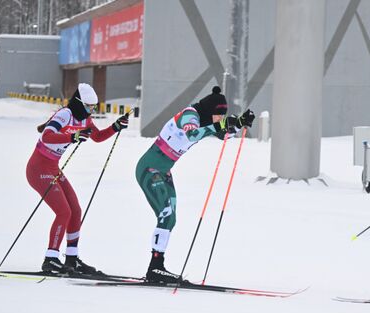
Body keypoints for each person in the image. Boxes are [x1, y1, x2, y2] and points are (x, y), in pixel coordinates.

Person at [136, 86, 255, 283]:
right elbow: (192, 134)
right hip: (149, 169)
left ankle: (157, 267)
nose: (218, 119)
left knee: (170, 218)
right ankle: (155, 268)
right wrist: (222, 124)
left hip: (163, 171)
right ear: (209, 111)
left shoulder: (205, 119)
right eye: (218, 115)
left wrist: (238, 123)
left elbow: (223, 134)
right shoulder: (190, 116)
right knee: (166, 214)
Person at [27, 83, 129, 275]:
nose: (91, 111)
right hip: (38, 168)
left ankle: (72, 259)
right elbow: (47, 136)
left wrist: (116, 126)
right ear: (78, 103)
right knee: (63, 212)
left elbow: (97, 137)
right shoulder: (65, 114)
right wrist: (72, 137)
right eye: (89, 107)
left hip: (52, 167)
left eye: (94, 107)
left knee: (75, 210)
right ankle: (51, 259)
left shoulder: (85, 119)